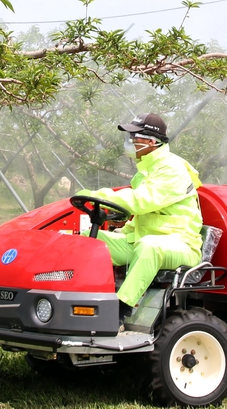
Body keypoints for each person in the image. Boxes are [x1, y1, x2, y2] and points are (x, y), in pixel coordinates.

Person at [75, 113, 203, 311]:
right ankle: (82, 297)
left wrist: (99, 196)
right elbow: (143, 218)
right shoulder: (144, 172)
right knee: (89, 239)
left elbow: (141, 201)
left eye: (134, 137)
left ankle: (120, 309)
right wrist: (122, 231)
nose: (130, 142)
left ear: (152, 142)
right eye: (129, 137)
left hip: (180, 245)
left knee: (148, 247)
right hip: (143, 240)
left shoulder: (172, 169)